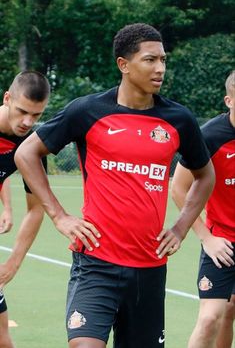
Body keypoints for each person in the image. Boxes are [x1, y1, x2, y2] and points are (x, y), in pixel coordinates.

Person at [14, 23, 214, 348]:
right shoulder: (87, 111)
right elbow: (26, 153)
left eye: (163, 59)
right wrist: (60, 216)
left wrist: (179, 228)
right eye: (150, 60)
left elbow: (205, 175)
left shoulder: (179, 119)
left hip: (149, 268)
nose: (160, 68)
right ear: (124, 64)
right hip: (95, 264)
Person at [171, 70, 235, 348]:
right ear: (229, 100)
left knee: (231, 312)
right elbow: (179, 188)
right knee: (210, 319)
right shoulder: (209, 136)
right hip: (222, 242)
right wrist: (206, 238)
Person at [0, 70, 50, 348]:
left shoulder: (30, 147)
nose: (28, 122)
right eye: (22, 112)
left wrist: (13, 264)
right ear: (7, 98)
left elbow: (36, 208)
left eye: (37, 115)